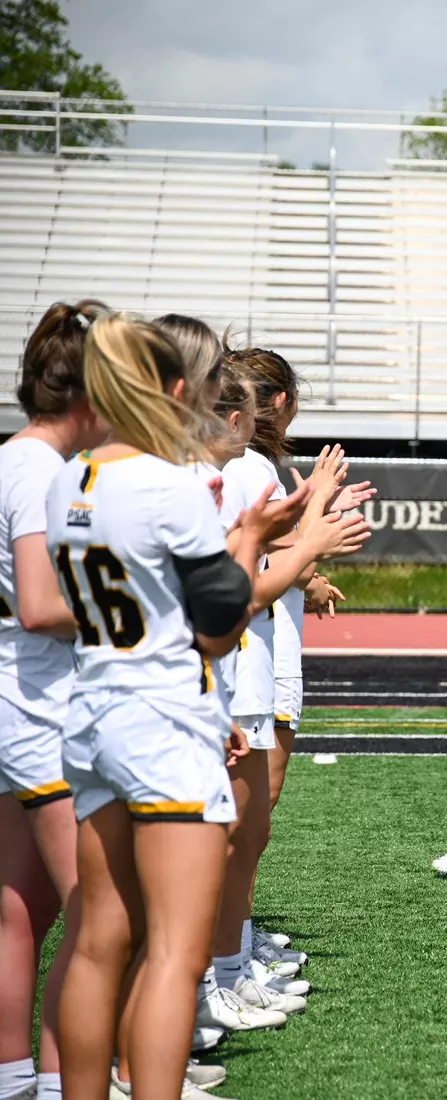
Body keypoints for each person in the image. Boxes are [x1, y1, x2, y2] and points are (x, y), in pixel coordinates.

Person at [47, 312, 304, 1100]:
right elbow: (221, 625)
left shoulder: (72, 476)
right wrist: (264, 532)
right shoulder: (169, 484)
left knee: (99, 939)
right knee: (174, 952)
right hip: (161, 715)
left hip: (90, 710)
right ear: (175, 385)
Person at [200, 347, 370, 1038]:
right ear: (278, 405)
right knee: (234, 832)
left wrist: (307, 549)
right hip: (235, 664)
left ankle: (225, 963)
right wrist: (314, 531)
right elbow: (242, 569)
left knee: (243, 830)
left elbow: (258, 557)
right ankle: (215, 973)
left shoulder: (237, 467)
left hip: (244, 656)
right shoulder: (243, 468)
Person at [0, 302, 108, 1100]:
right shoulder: (41, 470)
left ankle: (18, 1078)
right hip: (39, 698)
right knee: (97, 913)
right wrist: (145, 606)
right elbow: (42, 604)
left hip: (15, 689)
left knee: (21, 905)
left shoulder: (11, 458)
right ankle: (69, 1080)